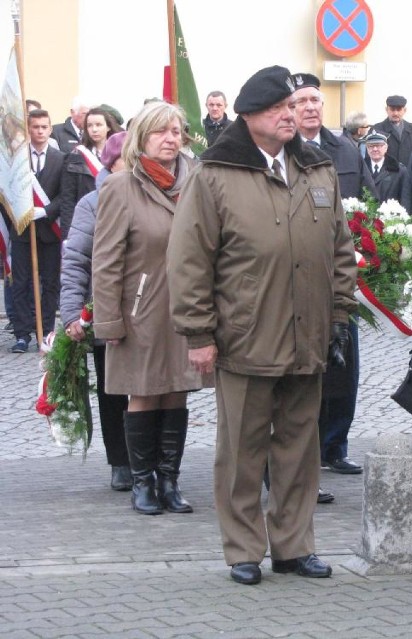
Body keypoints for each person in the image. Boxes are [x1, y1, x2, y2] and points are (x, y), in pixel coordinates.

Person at [168, 65, 357, 585]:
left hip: (308, 334)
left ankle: (294, 546)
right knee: (242, 452)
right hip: (244, 335)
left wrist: (339, 315)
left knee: (299, 448)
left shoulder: (317, 169)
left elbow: (340, 249)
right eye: (279, 109)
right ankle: (243, 549)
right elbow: (189, 260)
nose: (290, 116)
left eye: (293, 108)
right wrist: (199, 334)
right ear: (249, 116)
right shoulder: (215, 173)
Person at [92, 101, 202, 517]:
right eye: (161, 131)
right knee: (143, 393)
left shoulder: (196, 179)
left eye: (176, 131)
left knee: (177, 391)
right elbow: (105, 260)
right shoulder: (121, 187)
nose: (171, 139)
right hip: (141, 309)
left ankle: (169, 481)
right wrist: (108, 321)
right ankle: (142, 483)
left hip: (187, 308)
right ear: (143, 138)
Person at [290, 71, 375, 477]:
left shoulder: (344, 149)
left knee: (345, 359)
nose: (310, 107)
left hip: (341, 268)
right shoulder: (281, 150)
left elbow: (369, 202)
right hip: (300, 270)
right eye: (301, 101)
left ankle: (335, 444)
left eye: (315, 101)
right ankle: (305, 447)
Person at [60, 131, 130, 491]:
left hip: (148, 311)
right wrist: (72, 313)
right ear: (113, 162)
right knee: (111, 389)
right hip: (103, 309)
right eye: (127, 157)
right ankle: (120, 459)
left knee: (153, 389)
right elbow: (75, 261)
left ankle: (153, 459)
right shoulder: (92, 203)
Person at [8, 109, 65, 353]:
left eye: (44, 127)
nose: (40, 131)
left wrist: (48, 211)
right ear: (28, 130)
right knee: (20, 283)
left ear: (50, 129)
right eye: (35, 127)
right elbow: (9, 191)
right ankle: (22, 334)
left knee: (50, 283)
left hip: (49, 231)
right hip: (22, 230)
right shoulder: (18, 159)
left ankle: (47, 331)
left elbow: (66, 194)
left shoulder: (61, 158)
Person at [58, 107, 122, 239]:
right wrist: (67, 236)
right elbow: (68, 200)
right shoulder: (76, 157)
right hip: (86, 222)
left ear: (108, 127)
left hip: (116, 220)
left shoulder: (121, 157)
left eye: (98, 125)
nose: (94, 129)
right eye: (90, 125)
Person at [372, 95, 412, 165]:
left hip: (410, 174)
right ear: (386, 110)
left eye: (399, 109)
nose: (395, 113)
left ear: (404, 110)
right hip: (386, 174)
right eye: (392, 109)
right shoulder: (377, 130)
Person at [364, 130, 410, 204]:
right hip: (366, 214)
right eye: (371, 146)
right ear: (367, 148)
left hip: (391, 214)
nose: (375, 149)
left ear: (386, 147)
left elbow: (405, 199)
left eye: (379, 145)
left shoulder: (399, 171)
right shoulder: (361, 169)